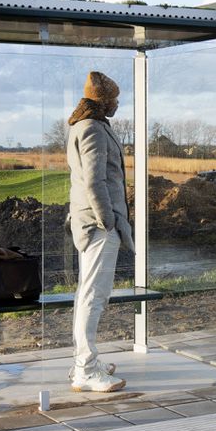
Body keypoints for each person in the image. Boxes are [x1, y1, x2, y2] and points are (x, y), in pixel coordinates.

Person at [66, 71, 133, 392]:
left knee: (87, 295)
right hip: (98, 226)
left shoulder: (84, 126)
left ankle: (85, 360)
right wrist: (108, 222)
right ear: (103, 101)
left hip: (90, 223)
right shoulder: (92, 129)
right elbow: (94, 181)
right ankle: (86, 369)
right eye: (115, 99)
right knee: (94, 297)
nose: (118, 104)